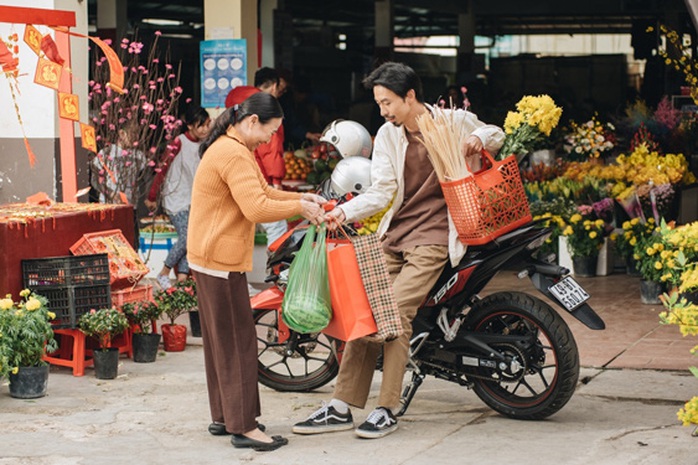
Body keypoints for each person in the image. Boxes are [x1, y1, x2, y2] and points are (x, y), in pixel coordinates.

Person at [293, 62, 504, 439]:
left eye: (387, 102)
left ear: (410, 96)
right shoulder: (389, 135)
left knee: (393, 312)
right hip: (398, 233)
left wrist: (480, 140)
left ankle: (387, 408)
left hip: (437, 236)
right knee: (364, 306)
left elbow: (497, 133)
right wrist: (341, 210)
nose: (383, 111)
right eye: (379, 104)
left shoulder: (451, 121)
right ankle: (341, 406)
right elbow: (382, 190)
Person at [187, 92, 326, 452]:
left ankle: (224, 416)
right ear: (251, 122)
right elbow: (255, 207)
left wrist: (303, 199)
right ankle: (244, 427)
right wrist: (300, 206)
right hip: (219, 261)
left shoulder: (231, 147)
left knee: (221, 343)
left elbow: (262, 191)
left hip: (210, 257)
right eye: (270, 131)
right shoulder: (232, 153)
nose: (269, 139)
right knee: (238, 343)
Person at [226, 68, 290, 295]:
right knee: (278, 229)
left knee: (241, 228)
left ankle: (240, 284)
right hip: (258, 174)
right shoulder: (265, 109)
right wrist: (276, 181)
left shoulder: (236, 102)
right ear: (273, 85)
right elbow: (270, 150)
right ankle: (281, 277)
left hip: (238, 172)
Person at [145, 105, 211, 290]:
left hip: (193, 199)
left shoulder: (203, 145)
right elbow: (162, 169)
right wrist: (152, 195)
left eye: (207, 125)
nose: (206, 129)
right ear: (190, 126)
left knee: (192, 238)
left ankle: (182, 279)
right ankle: (164, 271)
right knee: (188, 237)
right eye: (201, 126)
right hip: (176, 199)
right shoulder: (178, 142)